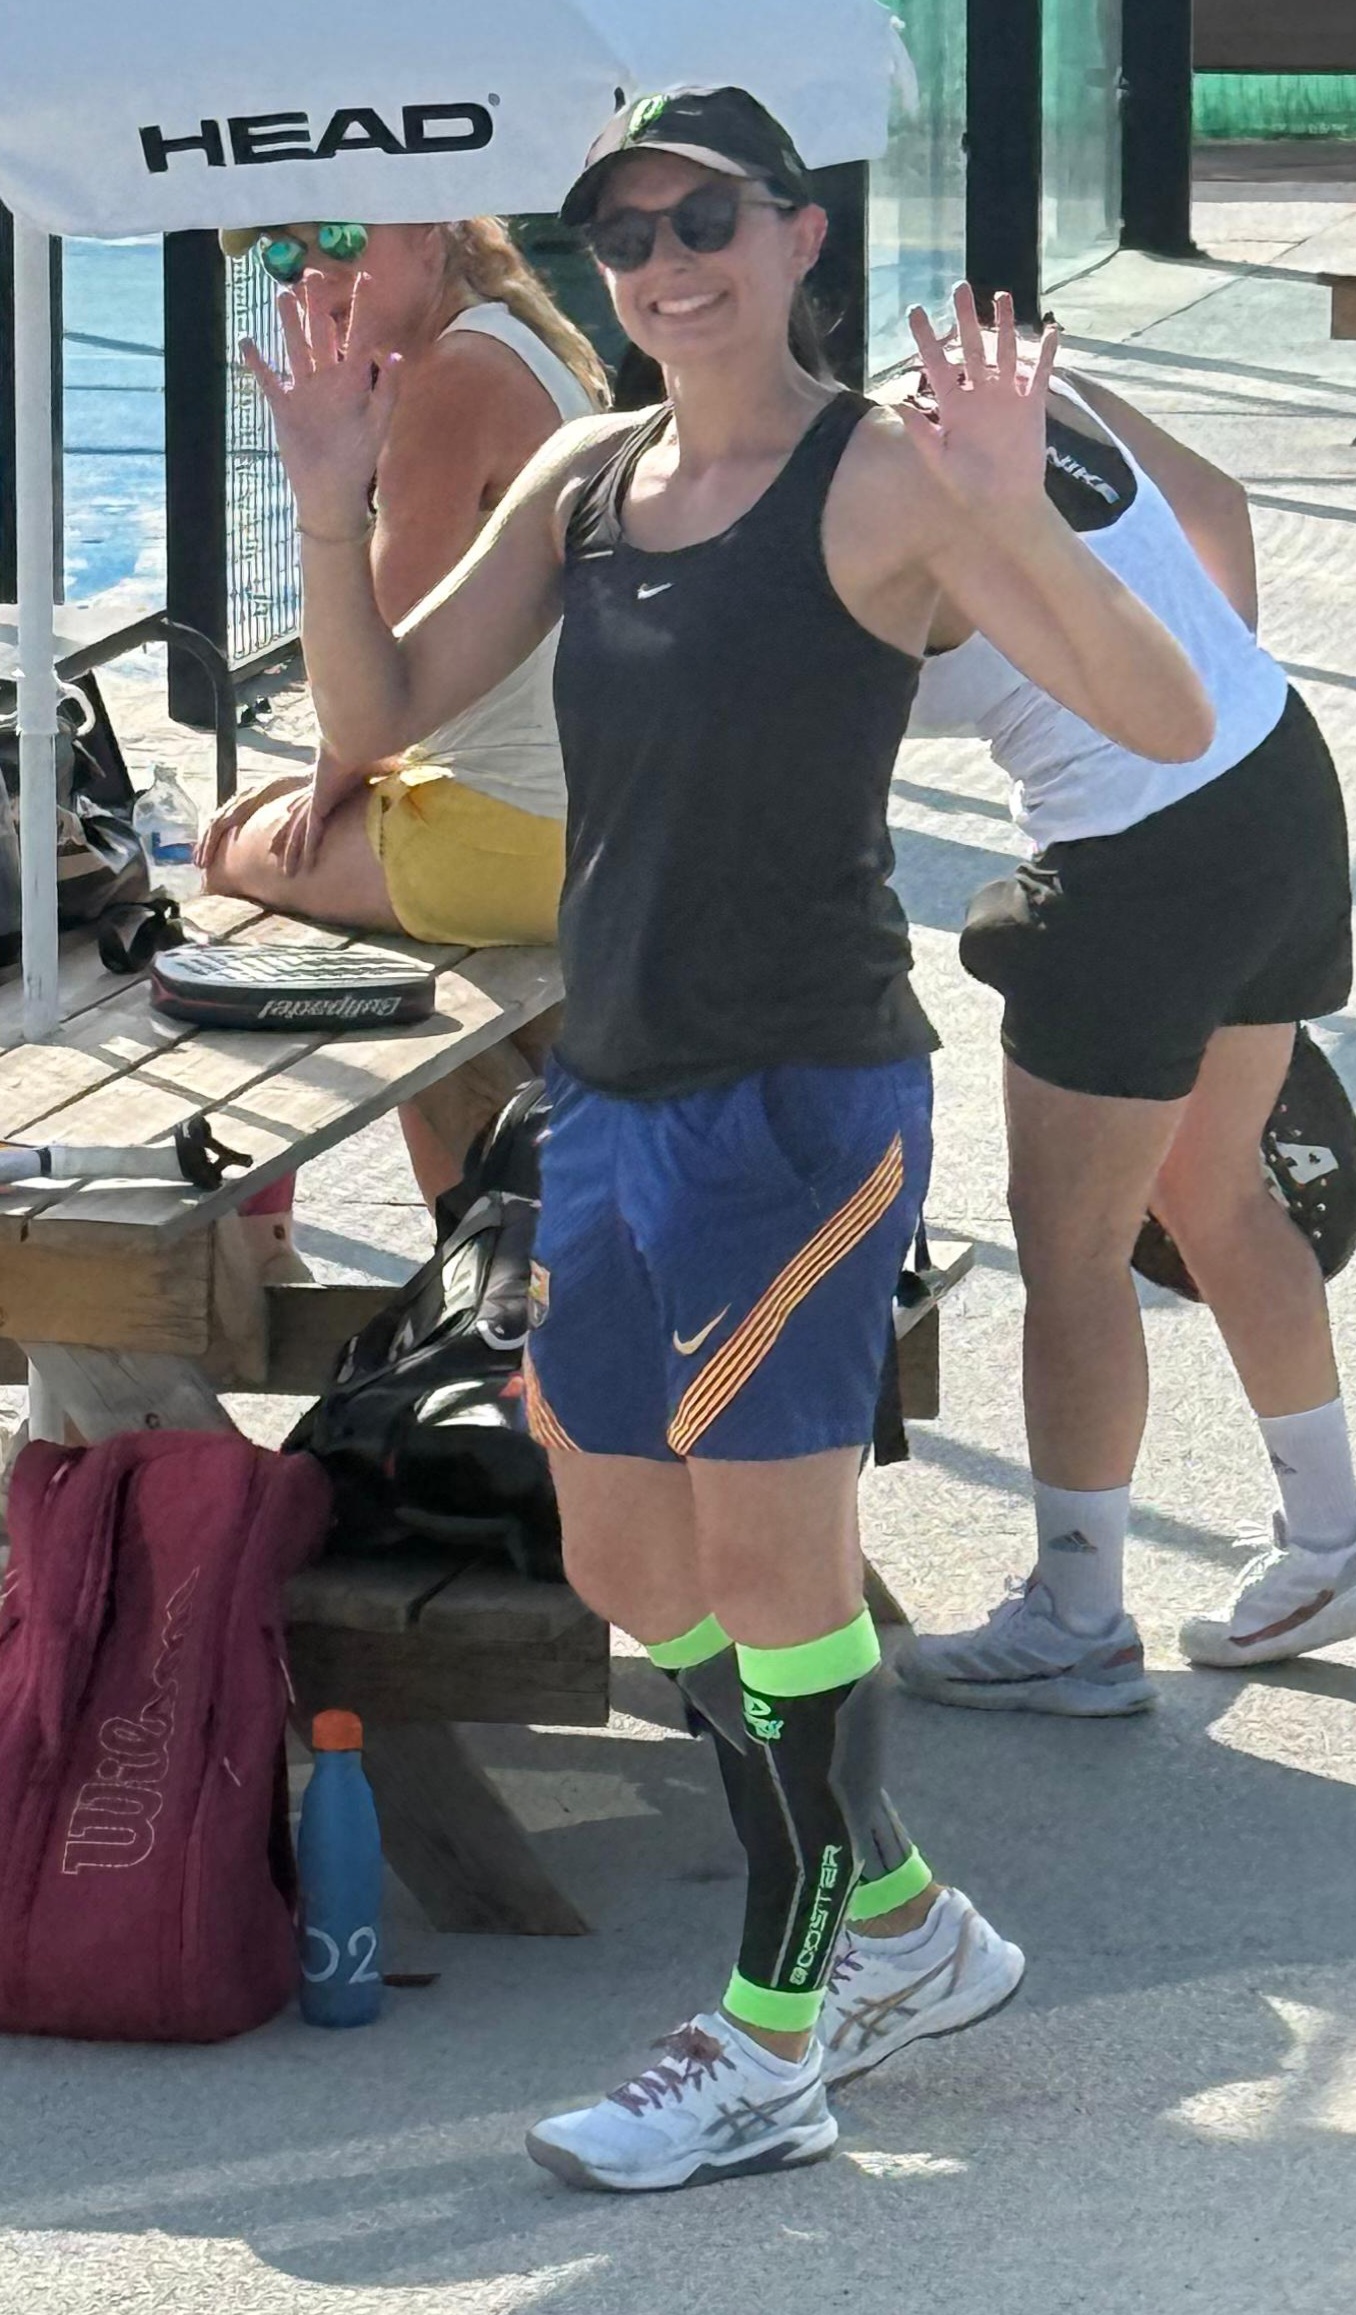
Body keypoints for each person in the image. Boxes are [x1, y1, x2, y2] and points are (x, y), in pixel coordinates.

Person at [243, 84, 1213, 2193]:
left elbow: (1168, 713)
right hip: (610, 1091)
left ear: (798, 238)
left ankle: (774, 2034)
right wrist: (326, 501)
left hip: (802, 1099)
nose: (666, 264)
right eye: (625, 233)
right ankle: (905, 1918)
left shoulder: (888, 477)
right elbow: (376, 721)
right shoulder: (587, 477)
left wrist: (1016, 515)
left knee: (778, 1581)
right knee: (620, 1555)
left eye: (706, 221)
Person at [893, 362, 1354, 1712]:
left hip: (1135, 859)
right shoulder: (1017, 381)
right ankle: (1333, 1539)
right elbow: (1214, 502)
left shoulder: (854, 495)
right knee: (1213, 1189)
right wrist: (1199, 710)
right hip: (1274, 777)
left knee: (1073, 1250)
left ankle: (1078, 1618)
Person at [198, 217, 606, 1218]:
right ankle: (514, 1208)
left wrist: (326, 784)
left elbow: (375, 677)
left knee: (229, 866)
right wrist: (339, 775)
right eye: (284, 254)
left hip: (514, 834)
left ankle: (279, 1242)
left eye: (341, 237)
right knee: (365, 910)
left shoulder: (451, 382)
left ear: (430, 231)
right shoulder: (519, 338)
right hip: (592, 823)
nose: (314, 275)